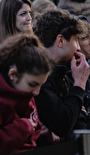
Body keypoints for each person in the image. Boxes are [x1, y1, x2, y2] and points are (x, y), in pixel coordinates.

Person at [34, 9, 90, 142]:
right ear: (60, 41)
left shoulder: (62, 72)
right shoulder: (37, 76)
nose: (78, 48)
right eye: (76, 40)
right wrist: (80, 84)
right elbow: (64, 124)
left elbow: (78, 127)